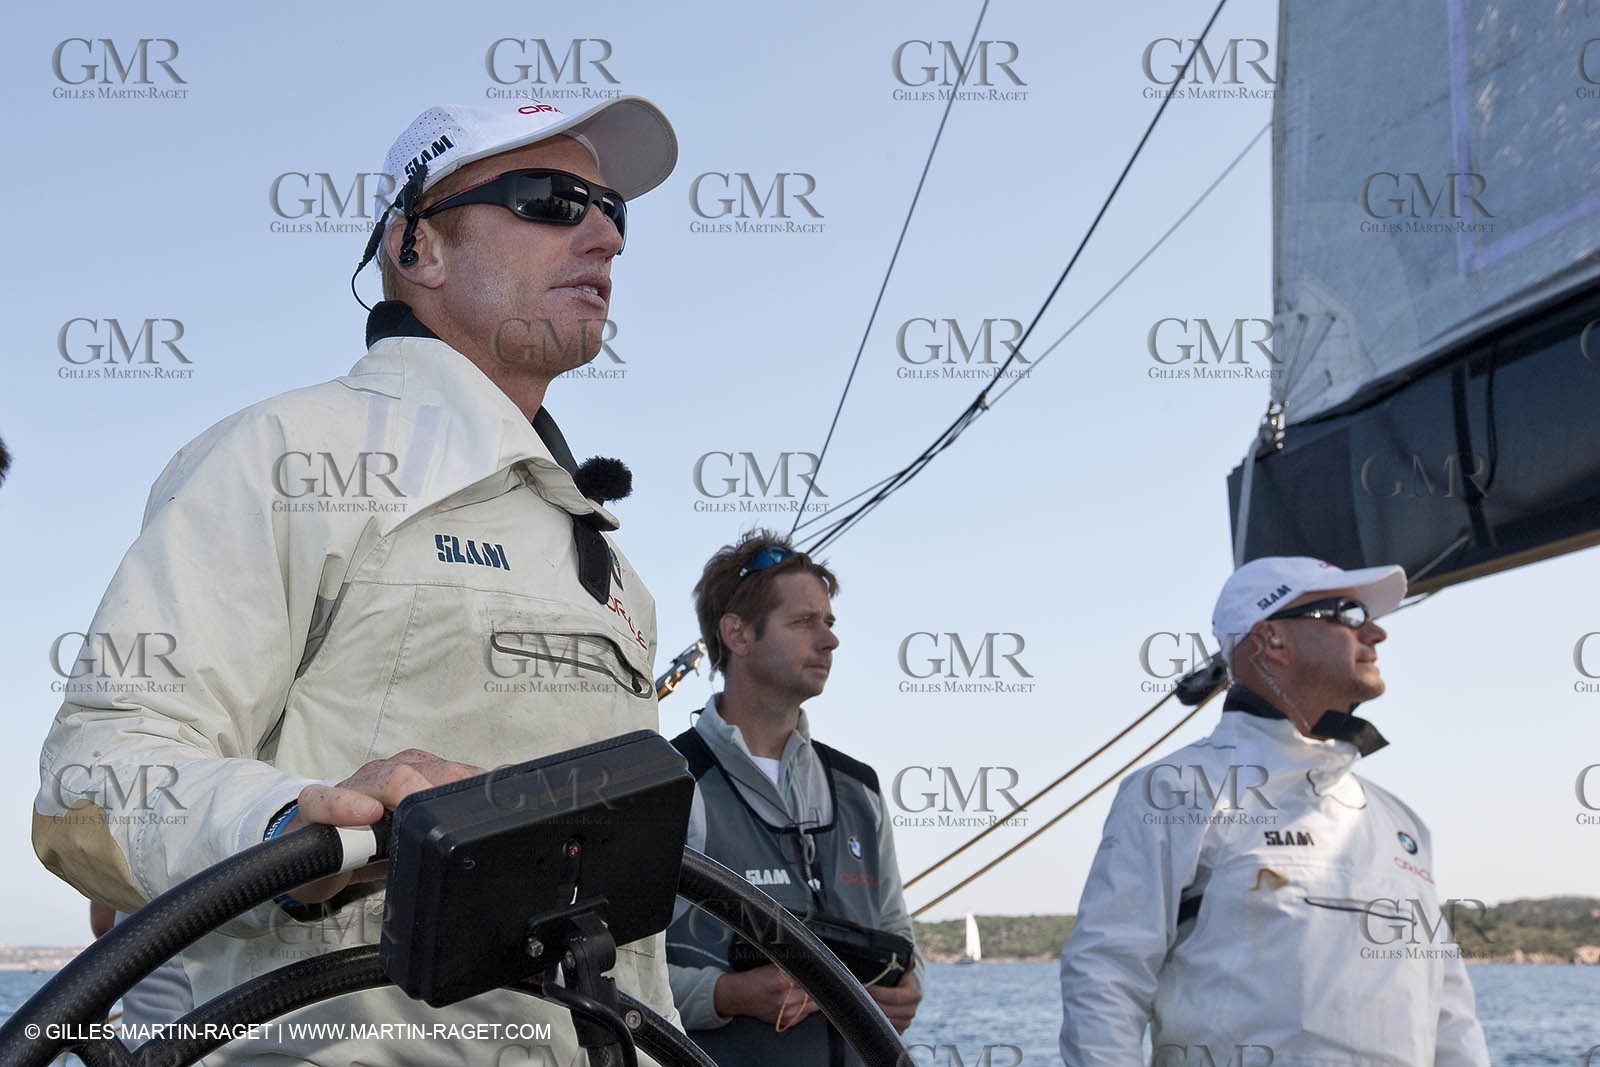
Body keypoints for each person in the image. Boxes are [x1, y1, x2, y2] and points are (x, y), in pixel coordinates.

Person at [33, 95, 681, 1066]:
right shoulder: (288, 454)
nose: (604, 235)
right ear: (416, 247)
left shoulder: (613, 565)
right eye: (551, 200)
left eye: (612, 210)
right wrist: (297, 821)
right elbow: (91, 782)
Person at [1059, 556, 1491, 1065]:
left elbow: (1449, 1010)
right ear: (1270, 641)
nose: (1375, 634)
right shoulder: (1176, 791)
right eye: (1347, 615)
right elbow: (1107, 976)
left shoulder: (1400, 822)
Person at [664, 531, 922, 1067]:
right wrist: (724, 995)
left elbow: (897, 930)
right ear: (737, 633)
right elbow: (617, 970)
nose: (829, 641)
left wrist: (910, 984)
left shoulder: (860, 788)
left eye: (829, 623)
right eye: (804, 622)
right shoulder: (671, 784)